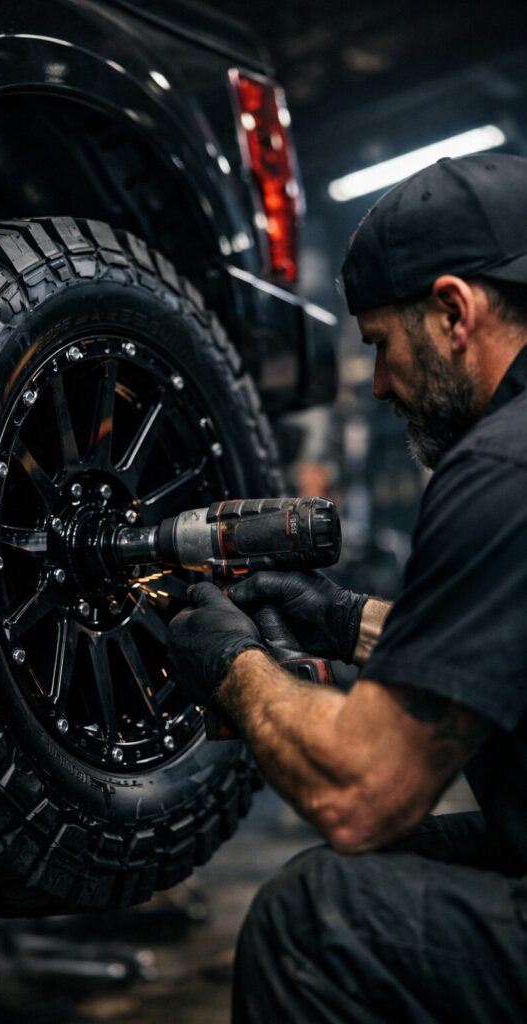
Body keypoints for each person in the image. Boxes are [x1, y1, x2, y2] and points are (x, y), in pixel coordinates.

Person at [168, 153, 527, 1023]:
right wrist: (337, 618)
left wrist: (232, 661)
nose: (378, 385)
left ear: (452, 312)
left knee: (315, 919)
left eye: (379, 346)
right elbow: (494, 639)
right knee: (383, 876)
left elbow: (361, 792)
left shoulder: (498, 466)